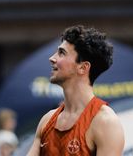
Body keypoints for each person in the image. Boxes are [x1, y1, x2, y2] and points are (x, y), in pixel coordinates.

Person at [26, 25, 124, 156]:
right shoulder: (47, 120)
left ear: (83, 68)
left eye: (61, 53)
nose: (52, 58)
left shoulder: (105, 122)